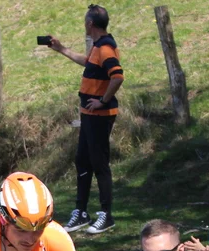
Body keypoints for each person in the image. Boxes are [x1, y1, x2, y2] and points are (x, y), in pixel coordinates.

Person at [49, 4, 123, 236]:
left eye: (85, 21)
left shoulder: (106, 48)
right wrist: (61, 49)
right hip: (89, 115)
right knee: (82, 160)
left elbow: (117, 76)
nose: (84, 24)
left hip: (100, 115)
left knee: (99, 163)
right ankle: (81, 212)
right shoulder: (97, 47)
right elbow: (87, 62)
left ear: (90, 24)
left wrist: (102, 100)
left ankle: (106, 215)